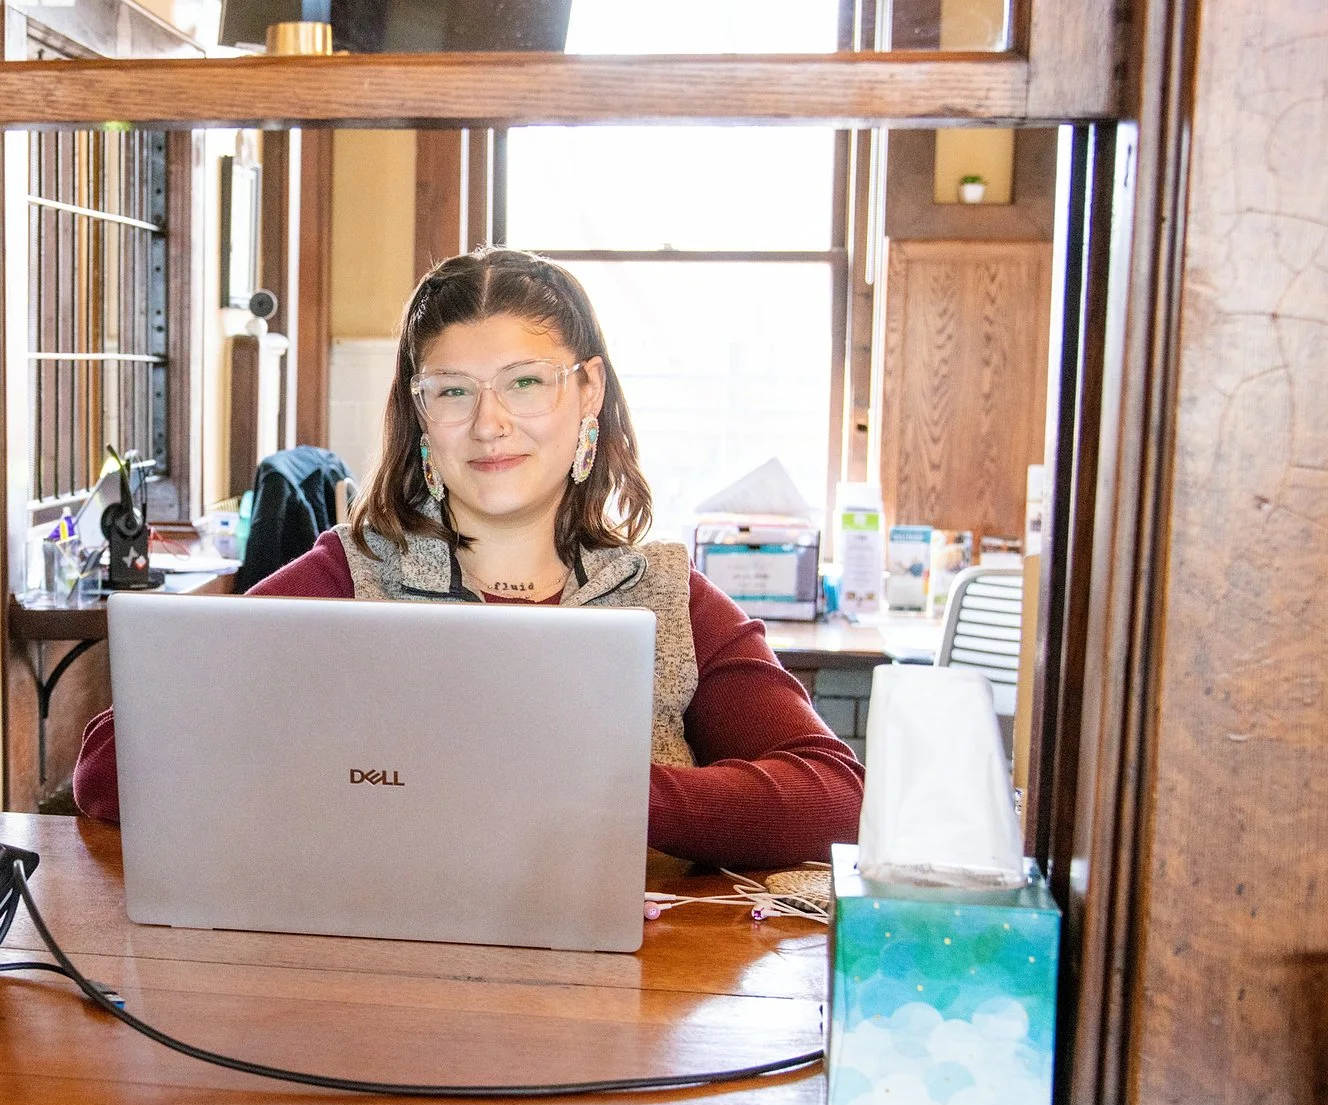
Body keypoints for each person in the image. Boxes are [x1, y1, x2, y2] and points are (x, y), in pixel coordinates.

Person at [73, 249, 863, 869]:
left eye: (526, 383)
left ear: (588, 391)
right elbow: (109, 768)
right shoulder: (351, 577)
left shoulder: (664, 596)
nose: (490, 425)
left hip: (624, 1008)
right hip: (386, 992)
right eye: (452, 391)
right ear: (420, 414)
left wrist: (589, 797)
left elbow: (834, 796)